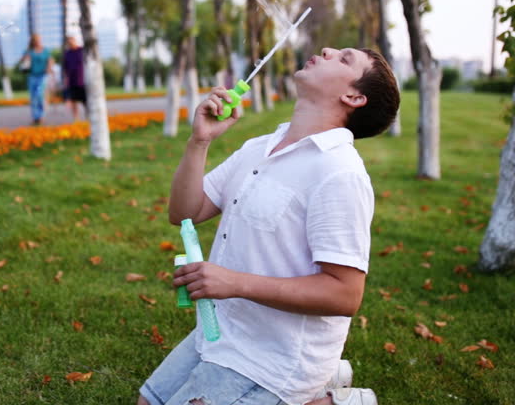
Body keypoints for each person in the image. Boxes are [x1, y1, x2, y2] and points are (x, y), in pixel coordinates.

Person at [138, 47, 400, 405]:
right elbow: (185, 211)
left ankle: (330, 398)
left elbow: (345, 294)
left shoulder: (339, 173)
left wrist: (233, 282)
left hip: (276, 359)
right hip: (221, 334)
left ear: (353, 96)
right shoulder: (260, 147)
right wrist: (199, 141)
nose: (326, 50)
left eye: (343, 58)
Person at [18, 33, 56, 125]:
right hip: (32, 76)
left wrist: (49, 68)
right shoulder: (28, 51)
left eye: (39, 40)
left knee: (39, 95)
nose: (38, 41)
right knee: (33, 97)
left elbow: (51, 60)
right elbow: (22, 62)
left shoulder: (45, 50)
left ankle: (41, 116)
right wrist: (25, 59)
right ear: (33, 41)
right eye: (36, 40)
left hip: (43, 76)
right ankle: (35, 117)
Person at [62, 35, 87, 121]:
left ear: (75, 40)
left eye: (71, 40)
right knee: (73, 101)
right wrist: (66, 81)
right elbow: (65, 69)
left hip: (82, 80)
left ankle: (89, 117)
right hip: (72, 81)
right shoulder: (67, 54)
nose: (70, 43)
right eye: (68, 41)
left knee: (86, 101)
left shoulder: (82, 50)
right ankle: (76, 119)